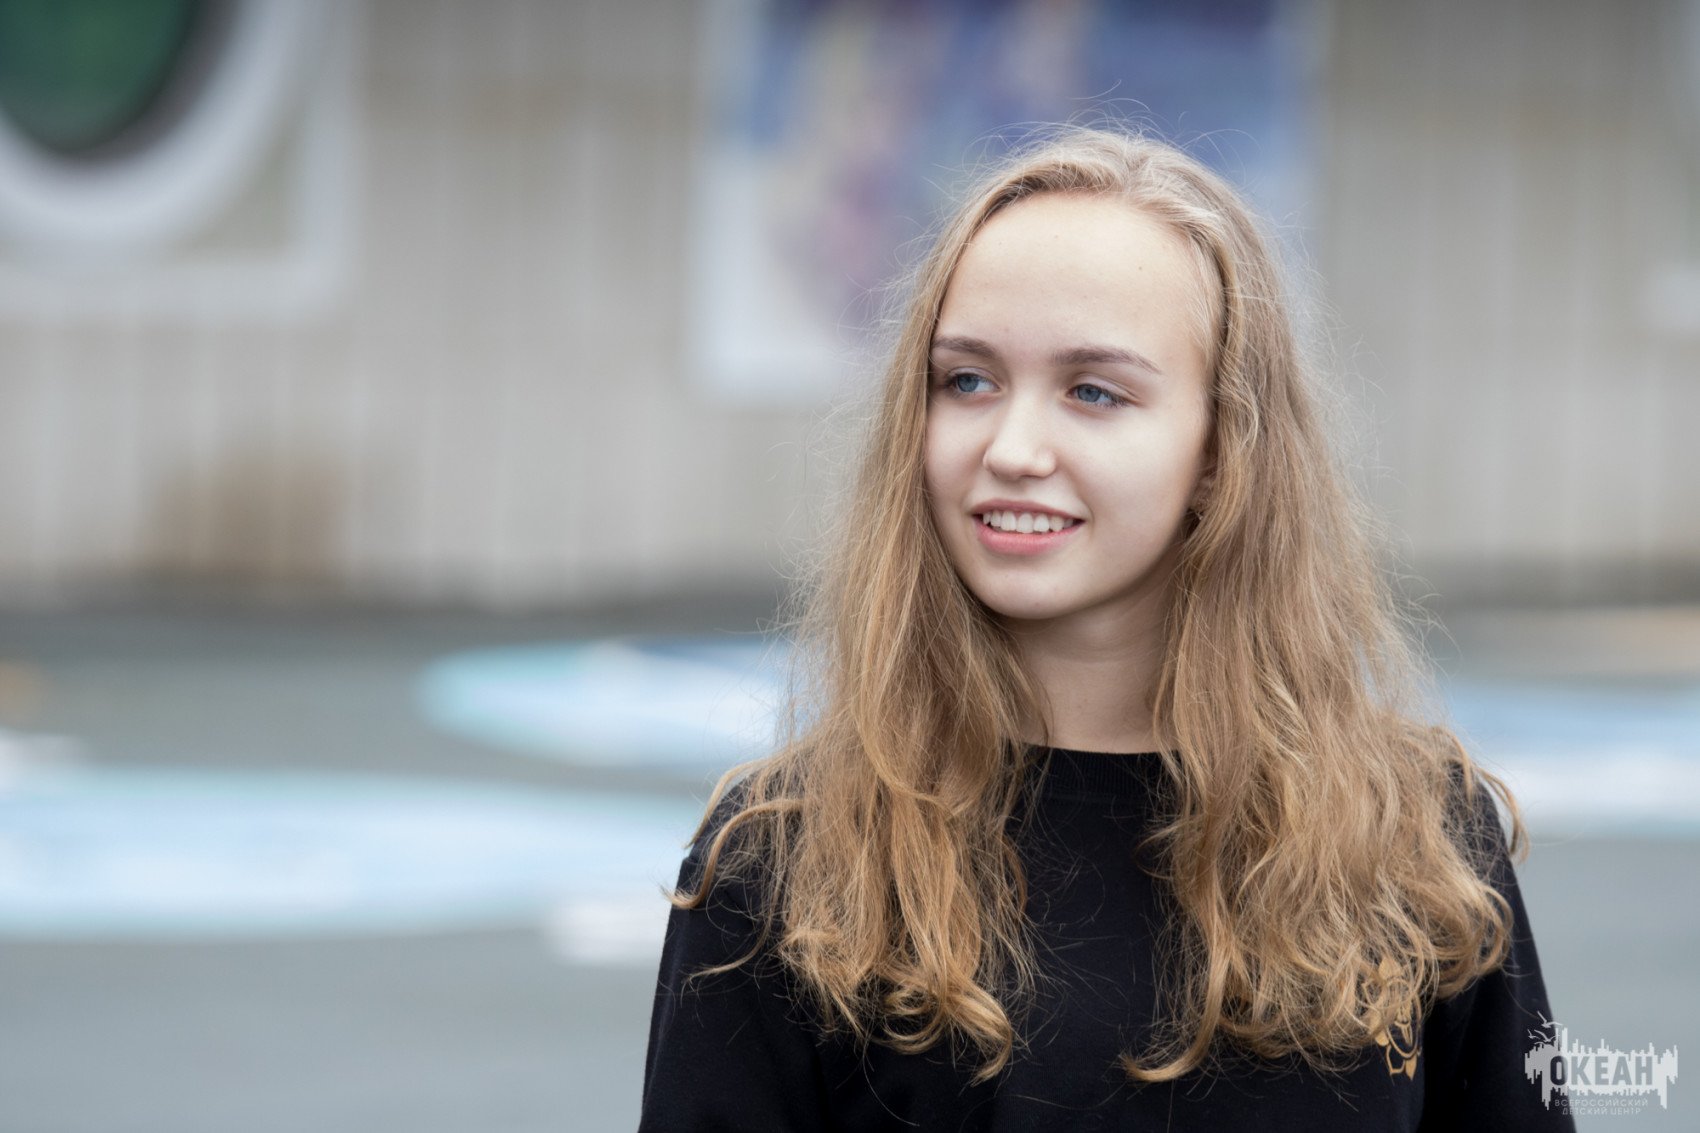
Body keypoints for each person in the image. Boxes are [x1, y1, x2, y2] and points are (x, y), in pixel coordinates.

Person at [639, 127, 1573, 1131]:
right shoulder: (783, 860)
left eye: (1093, 391)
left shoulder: (1415, 831)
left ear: (1222, 448)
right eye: (966, 380)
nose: (1012, 448)